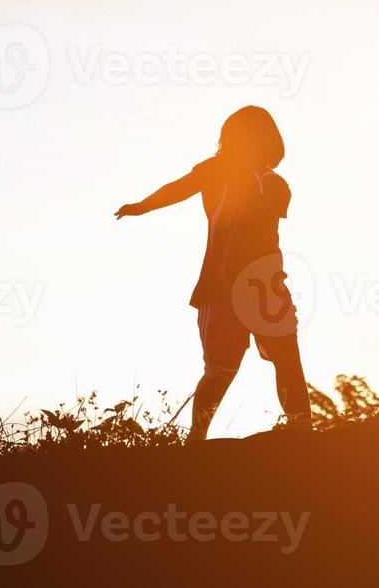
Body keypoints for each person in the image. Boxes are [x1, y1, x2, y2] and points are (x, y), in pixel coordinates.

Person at [115, 106, 312, 441]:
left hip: (267, 286)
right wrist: (142, 206)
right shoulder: (215, 171)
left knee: (288, 360)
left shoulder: (278, 185)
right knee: (221, 369)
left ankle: (302, 428)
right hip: (220, 286)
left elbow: (264, 236)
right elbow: (177, 189)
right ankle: (198, 437)